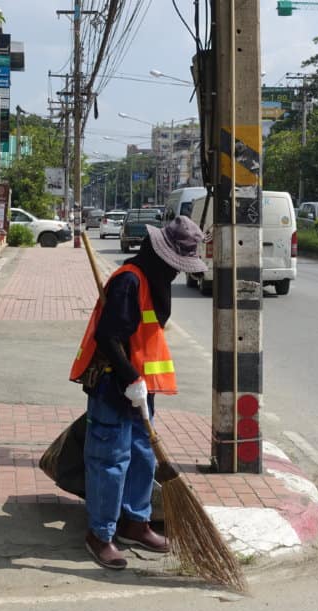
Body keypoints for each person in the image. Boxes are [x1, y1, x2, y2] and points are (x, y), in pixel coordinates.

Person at [69, 216, 207, 569]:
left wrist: (140, 384)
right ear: (161, 256)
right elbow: (108, 336)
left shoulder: (154, 281)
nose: (177, 273)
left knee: (142, 455)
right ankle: (100, 534)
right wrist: (130, 378)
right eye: (175, 265)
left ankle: (135, 522)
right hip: (113, 384)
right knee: (111, 459)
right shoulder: (129, 282)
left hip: (141, 387)